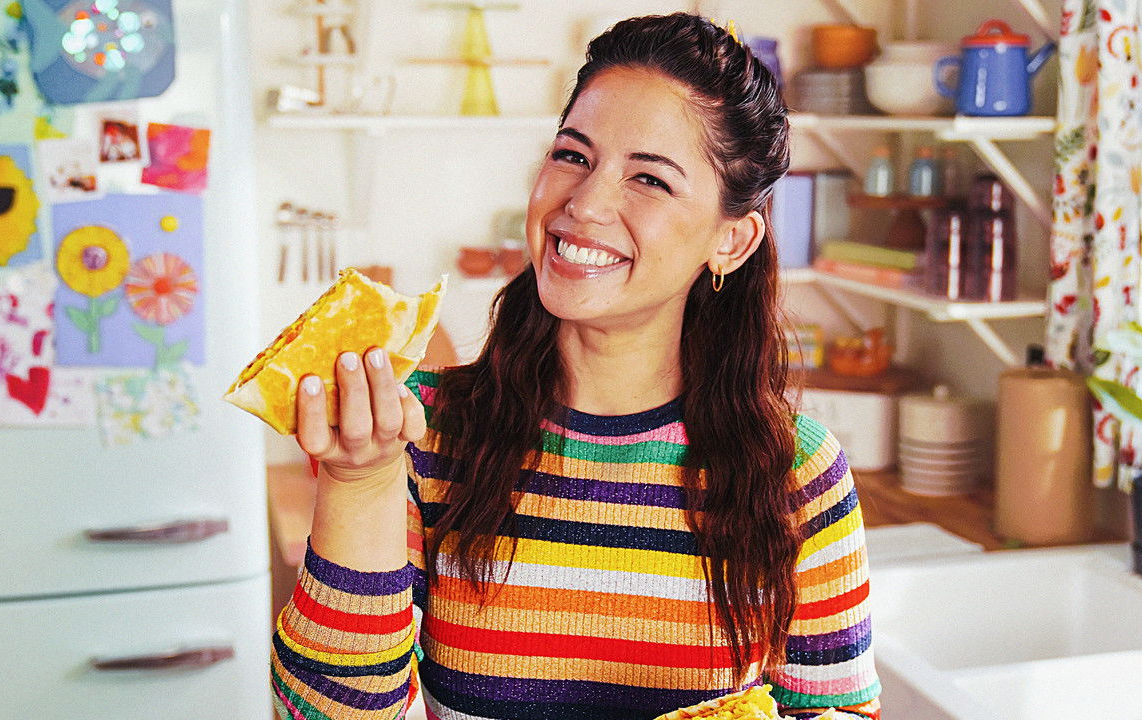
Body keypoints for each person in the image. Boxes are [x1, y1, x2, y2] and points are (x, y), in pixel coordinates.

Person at [272, 13, 880, 720]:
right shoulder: (424, 433)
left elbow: (838, 714)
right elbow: (330, 713)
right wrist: (357, 482)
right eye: (573, 155)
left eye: (649, 179)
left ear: (732, 241)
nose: (584, 204)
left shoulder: (796, 474)